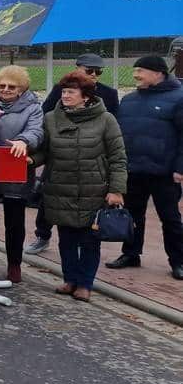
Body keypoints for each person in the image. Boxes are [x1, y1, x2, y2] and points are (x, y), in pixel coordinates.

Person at [29, 70, 127, 300]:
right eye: (63, 91)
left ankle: (85, 284)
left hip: (94, 190)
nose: (65, 96)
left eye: (71, 92)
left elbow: (118, 157)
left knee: (90, 241)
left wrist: (116, 189)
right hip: (60, 189)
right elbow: (45, 151)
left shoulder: (106, 119)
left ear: (86, 96)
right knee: (66, 240)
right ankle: (69, 279)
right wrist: (31, 160)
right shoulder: (52, 118)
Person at [26, 53, 120, 254]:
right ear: (78, 68)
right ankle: (42, 235)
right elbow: (47, 116)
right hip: (60, 157)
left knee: (88, 211)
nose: (94, 74)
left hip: (90, 162)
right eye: (89, 70)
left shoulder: (108, 94)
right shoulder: (62, 91)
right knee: (48, 199)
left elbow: (114, 131)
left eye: (98, 71)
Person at [106, 55, 183, 279]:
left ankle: (178, 261)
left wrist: (180, 168)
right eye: (135, 70)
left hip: (165, 172)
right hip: (133, 170)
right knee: (132, 215)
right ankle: (130, 253)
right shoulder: (129, 100)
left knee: (170, 218)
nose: (135, 75)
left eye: (141, 71)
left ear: (158, 73)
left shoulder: (179, 99)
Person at [0, 65, 43, 283]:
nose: (5, 89)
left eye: (11, 86)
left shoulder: (33, 108)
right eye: (1, 85)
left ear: (21, 88)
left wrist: (24, 141)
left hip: (15, 166)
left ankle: (14, 264)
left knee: (14, 220)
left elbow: (36, 131)